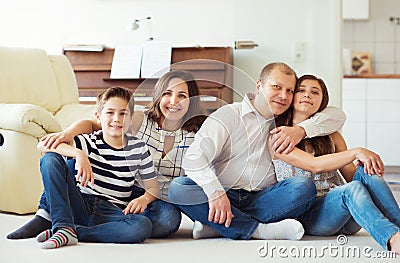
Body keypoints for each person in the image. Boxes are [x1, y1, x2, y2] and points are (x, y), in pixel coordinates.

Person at [7, 70, 204, 240]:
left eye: (182, 96)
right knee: (64, 162)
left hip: (149, 195)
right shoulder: (138, 119)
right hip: (116, 187)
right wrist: (69, 137)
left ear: (192, 99)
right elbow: (94, 126)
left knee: (167, 220)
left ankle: (74, 230)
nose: (173, 102)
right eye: (167, 94)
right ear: (159, 96)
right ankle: (48, 215)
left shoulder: (197, 135)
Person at [167, 62, 346, 240]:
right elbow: (194, 159)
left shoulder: (288, 122)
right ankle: (259, 230)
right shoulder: (228, 115)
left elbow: (337, 116)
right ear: (259, 85)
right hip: (225, 192)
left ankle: (219, 226)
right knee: (179, 188)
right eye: (276, 87)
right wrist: (215, 192)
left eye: (290, 91)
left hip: (264, 198)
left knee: (303, 187)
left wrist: (301, 130)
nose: (283, 96)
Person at [31, 86, 181, 249]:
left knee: (142, 226)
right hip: (81, 203)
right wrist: (78, 154)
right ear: (98, 117)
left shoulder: (139, 149)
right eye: (110, 113)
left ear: (131, 119)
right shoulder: (88, 142)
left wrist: (144, 199)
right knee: (50, 159)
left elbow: (153, 187)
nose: (117, 119)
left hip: (111, 210)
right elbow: (43, 145)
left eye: (123, 113)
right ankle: (62, 224)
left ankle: (72, 232)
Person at [271, 74, 400, 253]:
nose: (307, 95)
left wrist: (365, 166)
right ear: (292, 96)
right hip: (313, 217)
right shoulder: (279, 136)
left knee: (364, 173)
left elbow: (350, 174)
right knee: (352, 189)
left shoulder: (331, 136)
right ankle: (393, 239)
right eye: (301, 90)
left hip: (347, 213)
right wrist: (356, 151)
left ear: (322, 102)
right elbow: (314, 164)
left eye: (315, 92)